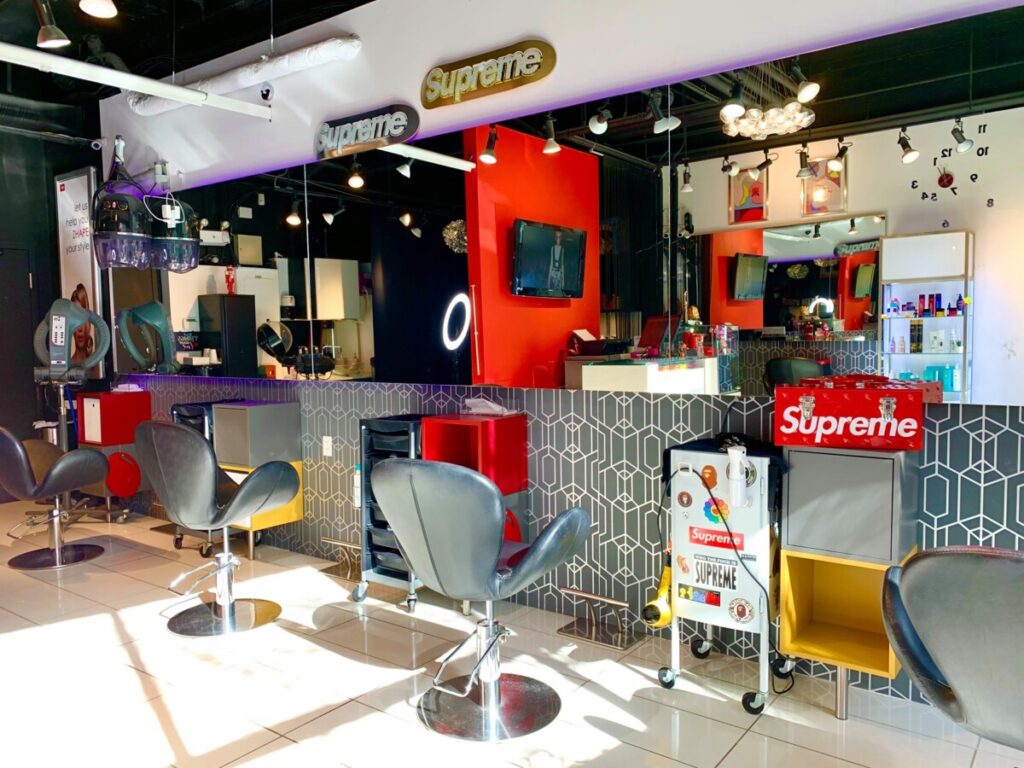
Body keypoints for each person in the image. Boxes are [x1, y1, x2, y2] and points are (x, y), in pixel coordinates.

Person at [69, 283, 97, 375]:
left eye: (82, 318)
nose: (80, 328)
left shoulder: (97, 366)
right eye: (75, 318)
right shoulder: (67, 369)